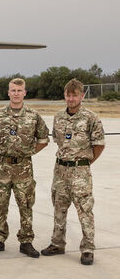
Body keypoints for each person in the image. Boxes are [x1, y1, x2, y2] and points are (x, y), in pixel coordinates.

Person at [41, 79, 105, 265]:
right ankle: (57, 243)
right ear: (64, 95)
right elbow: (59, 142)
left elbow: (99, 145)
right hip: (60, 170)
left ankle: (87, 248)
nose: (71, 99)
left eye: (74, 95)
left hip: (80, 172)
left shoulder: (90, 117)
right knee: (59, 209)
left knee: (85, 210)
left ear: (82, 96)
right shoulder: (58, 116)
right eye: (68, 95)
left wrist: (85, 163)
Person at [0, 78, 49, 257]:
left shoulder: (33, 116)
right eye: (13, 90)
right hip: (2, 167)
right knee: (0, 204)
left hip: (24, 168)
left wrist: (28, 152)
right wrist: (1, 150)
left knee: (26, 205)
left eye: (19, 90)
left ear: (24, 93)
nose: (15, 93)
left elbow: (43, 139)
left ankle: (26, 241)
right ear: (8, 93)